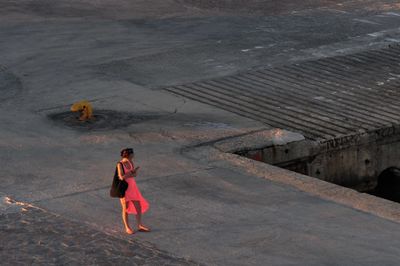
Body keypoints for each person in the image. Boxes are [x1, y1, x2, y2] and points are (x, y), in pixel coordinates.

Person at [117, 148, 150, 234]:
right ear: (128, 155)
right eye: (132, 154)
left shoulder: (130, 162)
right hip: (124, 189)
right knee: (125, 208)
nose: (133, 155)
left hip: (133, 187)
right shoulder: (120, 164)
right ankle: (127, 227)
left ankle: (140, 225)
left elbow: (134, 174)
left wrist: (133, 172)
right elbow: (121, 177)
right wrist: (131, 172)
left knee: (138, 207)